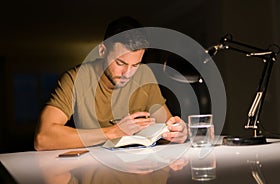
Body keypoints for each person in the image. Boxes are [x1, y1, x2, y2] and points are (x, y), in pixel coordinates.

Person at [34, 16, 187, 150]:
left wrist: (177, 133)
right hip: (92, 172)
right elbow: (43, 139)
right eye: (120, 63)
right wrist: (114, 131)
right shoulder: (76, 79)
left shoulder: (144, 75)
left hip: (138, 173)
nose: (128, 73)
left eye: (135, 65)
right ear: (102, 51)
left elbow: (167, 126)